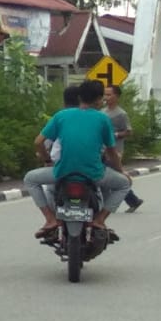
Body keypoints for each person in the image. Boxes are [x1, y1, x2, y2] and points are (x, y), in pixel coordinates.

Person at [23, 79, 131, 238]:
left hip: (62, 172)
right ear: (99, 100)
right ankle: (100, 220)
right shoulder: (102, 119)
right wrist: (121, 171)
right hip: (93, 173)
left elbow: (38, 142)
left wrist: (47, 161)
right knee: (123, 184)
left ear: (80, 97)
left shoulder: (61, 116)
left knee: (30, 179)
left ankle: (50, 219)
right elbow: (111, 152)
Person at [104, 84, 143, 212]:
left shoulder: (121, 114)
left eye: (109, 94)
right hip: (102, 149)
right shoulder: (102, 112)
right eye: (105, 94)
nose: (106, 97)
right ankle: (132, 200)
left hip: (115, 150)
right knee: (110, 176)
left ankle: (131, 200)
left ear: (117, 96)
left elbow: (128, 131)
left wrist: (115, 134)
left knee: (114, 176)